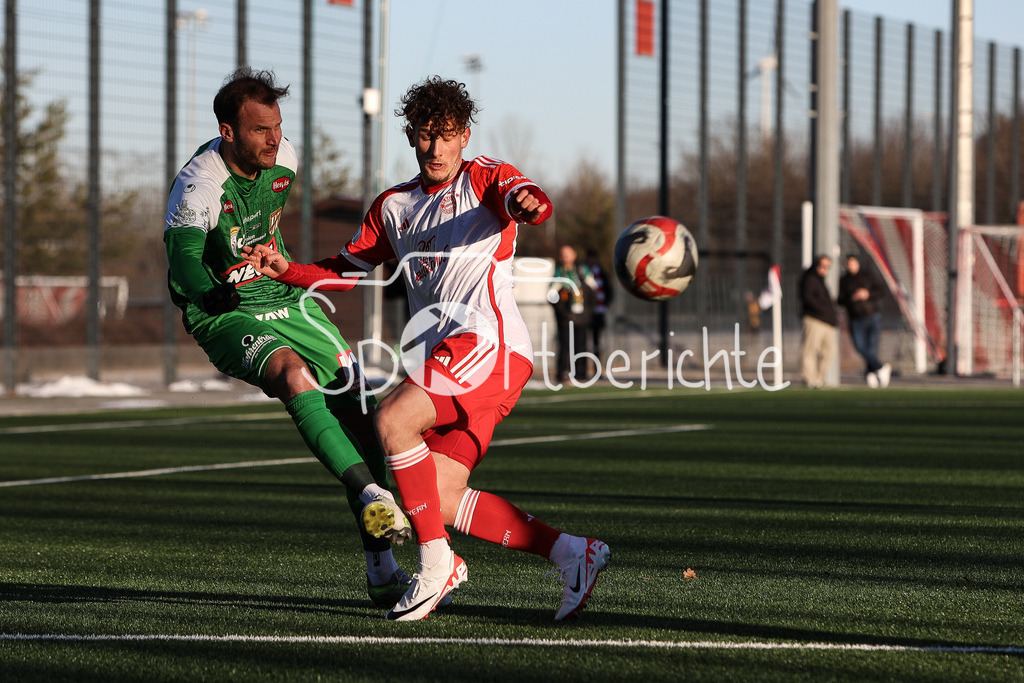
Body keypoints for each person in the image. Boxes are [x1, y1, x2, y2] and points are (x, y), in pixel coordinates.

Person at [242, 76, 610, 622]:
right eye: (423, 136)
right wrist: (288, 270)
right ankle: (572, 553)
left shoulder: (486, 178)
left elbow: (525, 198)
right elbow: (347, 270)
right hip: (450, 357)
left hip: (488, 341)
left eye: (446, 135)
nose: (435, 148)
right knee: (436, 495)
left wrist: (531, 204)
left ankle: (436, 566)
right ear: (411, 136)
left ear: (464, 135)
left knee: (391, 421)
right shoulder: (394, 206)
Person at [163, 67, 411, 608]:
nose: (274, 139)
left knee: (361, 410)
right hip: (223, 313)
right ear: (228, 132)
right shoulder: (198, 185)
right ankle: (372, 494)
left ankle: (381, 566)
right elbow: (182, 260)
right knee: (292, 373)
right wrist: (210, 293)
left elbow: (264, 221)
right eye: (259, 130)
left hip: (282, 298)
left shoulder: (286, 160)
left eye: (277, 126)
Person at [838, 255, 891, 388]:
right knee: (860, 347)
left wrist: (867, 294)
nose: (851, 266)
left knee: (871, 349)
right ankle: (881, 367)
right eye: (848, 264)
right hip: (855, 318)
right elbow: (840, 300)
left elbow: (881, 291)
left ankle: (871, 374)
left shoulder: (868, 276)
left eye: (853, 263)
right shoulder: (844, 280)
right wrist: (852, 297)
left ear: (858, 263)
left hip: (872, 316)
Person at [549, 244, 596, 382]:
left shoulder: (583, 271)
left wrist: (587, 311)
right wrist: (563, 311)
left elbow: (593, 291)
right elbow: (552, 294)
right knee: (564, 344)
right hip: (565, 317)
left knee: (581, 344)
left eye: (568, 254)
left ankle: (580, 372)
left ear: (574, 255)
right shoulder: (559, 273)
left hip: (582, 315)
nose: (565, 257)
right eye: (562, 255)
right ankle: (562, 372)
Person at [799, 255, 839, 388]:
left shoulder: (821, 281)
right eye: (822, 265)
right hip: (814, 319)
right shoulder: (809, 279)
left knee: (831, 350)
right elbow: (808, 299)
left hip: (827, 322)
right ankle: (809, 379)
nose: (824, 269)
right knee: (810, 350)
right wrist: (823, 310)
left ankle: (818, 378)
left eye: (827, 267)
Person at [583, 248, 613, 365]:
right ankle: (582, 369)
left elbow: (608, 291)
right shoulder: (583, 272)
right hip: (585, 313)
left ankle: (597, 368)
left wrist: (605, 304)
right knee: (583, 342)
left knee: (597, 343)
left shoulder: (601, 273)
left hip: (598, 312)